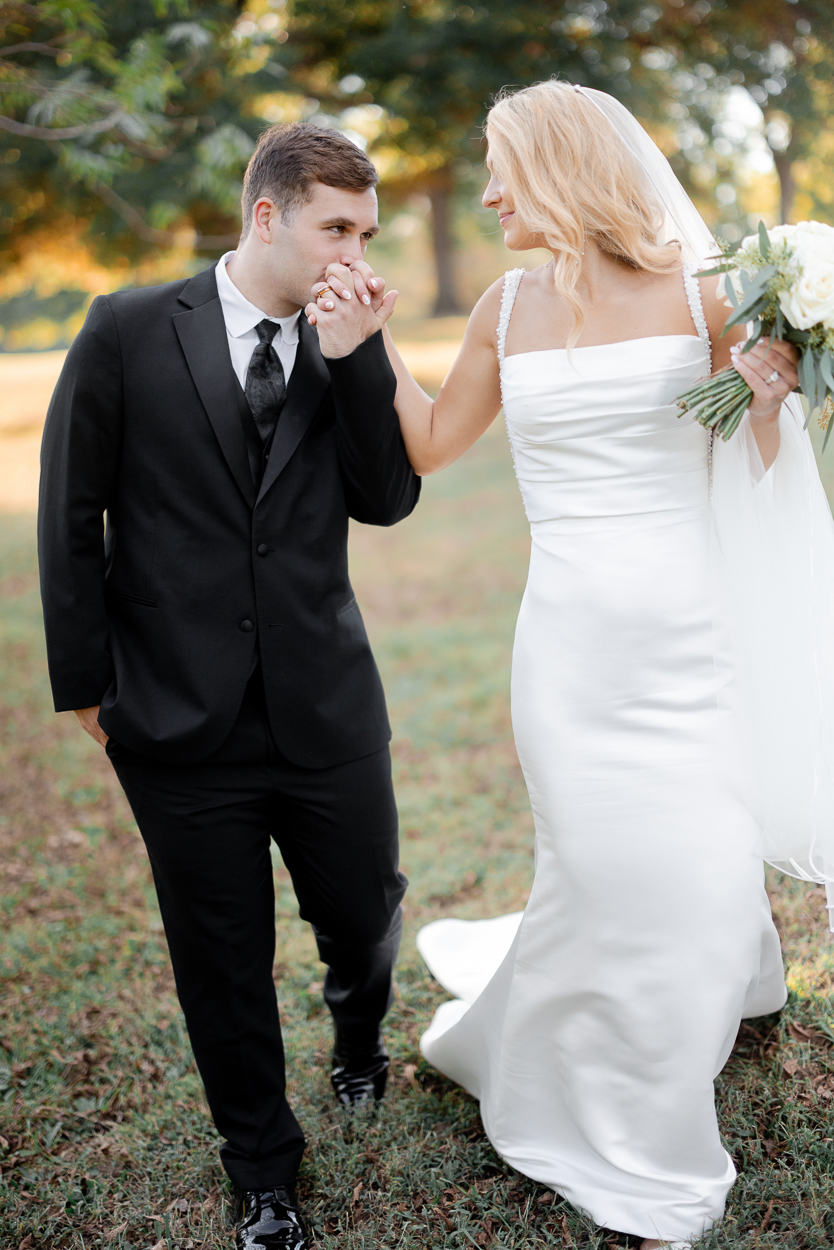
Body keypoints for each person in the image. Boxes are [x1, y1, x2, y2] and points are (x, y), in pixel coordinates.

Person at [309, 81, 834, 1248]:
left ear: (561, 168)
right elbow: (435, 443)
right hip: (569, 651)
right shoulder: (502, 306)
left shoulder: (707, 295)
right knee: (598, 869)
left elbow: (759, 454)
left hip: (688, 635)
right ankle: (617, 1115)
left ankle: (683, 1014)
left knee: (699, 872)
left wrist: (766, 399)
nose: (488, 190)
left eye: (501, 166)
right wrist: (371, 346)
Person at [38, 122, 418, 1250]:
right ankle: (263, 1175)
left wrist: (355, 358)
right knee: (220, 954)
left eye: (369, 231)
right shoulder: (127, 328)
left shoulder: (353, 337)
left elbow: (386, 497)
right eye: (336, 228)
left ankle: (359, 1030)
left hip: (326, 703)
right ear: (268, 216)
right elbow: (70, 514)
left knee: (363, 912)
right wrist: (86, 686)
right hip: (173, 713)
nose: (356, 252)